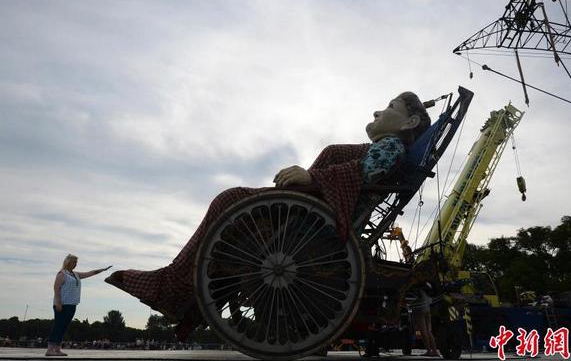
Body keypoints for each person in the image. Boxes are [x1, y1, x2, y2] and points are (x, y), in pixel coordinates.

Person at [106, 91, 432, 340]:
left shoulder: (390, 148)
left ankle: (171, 285)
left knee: (229, 200)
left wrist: (314, 177)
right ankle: (179, 289)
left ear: (410, 122)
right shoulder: (382, 147)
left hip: (306, 219)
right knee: (230, 202)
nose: (378, 111)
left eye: (390, 107)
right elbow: (360, 171)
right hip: (303, 214)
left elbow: (366, 174)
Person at [46, 254, 112, 356]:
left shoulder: (75, 274)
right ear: (68, 262)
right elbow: (56, 288)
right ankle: (50, 349)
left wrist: (102, 270)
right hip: (62, 304)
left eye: (76, 263)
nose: (75, 264)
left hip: (72, 304)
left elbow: (90, 273)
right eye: (73, 262)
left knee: (64, 327)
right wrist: (58, 303)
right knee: (58, 326)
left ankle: (57, 349)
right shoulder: (62, 274)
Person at [412, 286, 440, 357]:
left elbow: (417, 300)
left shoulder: (417, 289)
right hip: (427, 311)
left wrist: (411, 304)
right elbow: (430, 300)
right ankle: (435, 351)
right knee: (429, 332)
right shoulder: (425, 290)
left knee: (423, 332)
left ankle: (429, 351)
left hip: (420, 311)